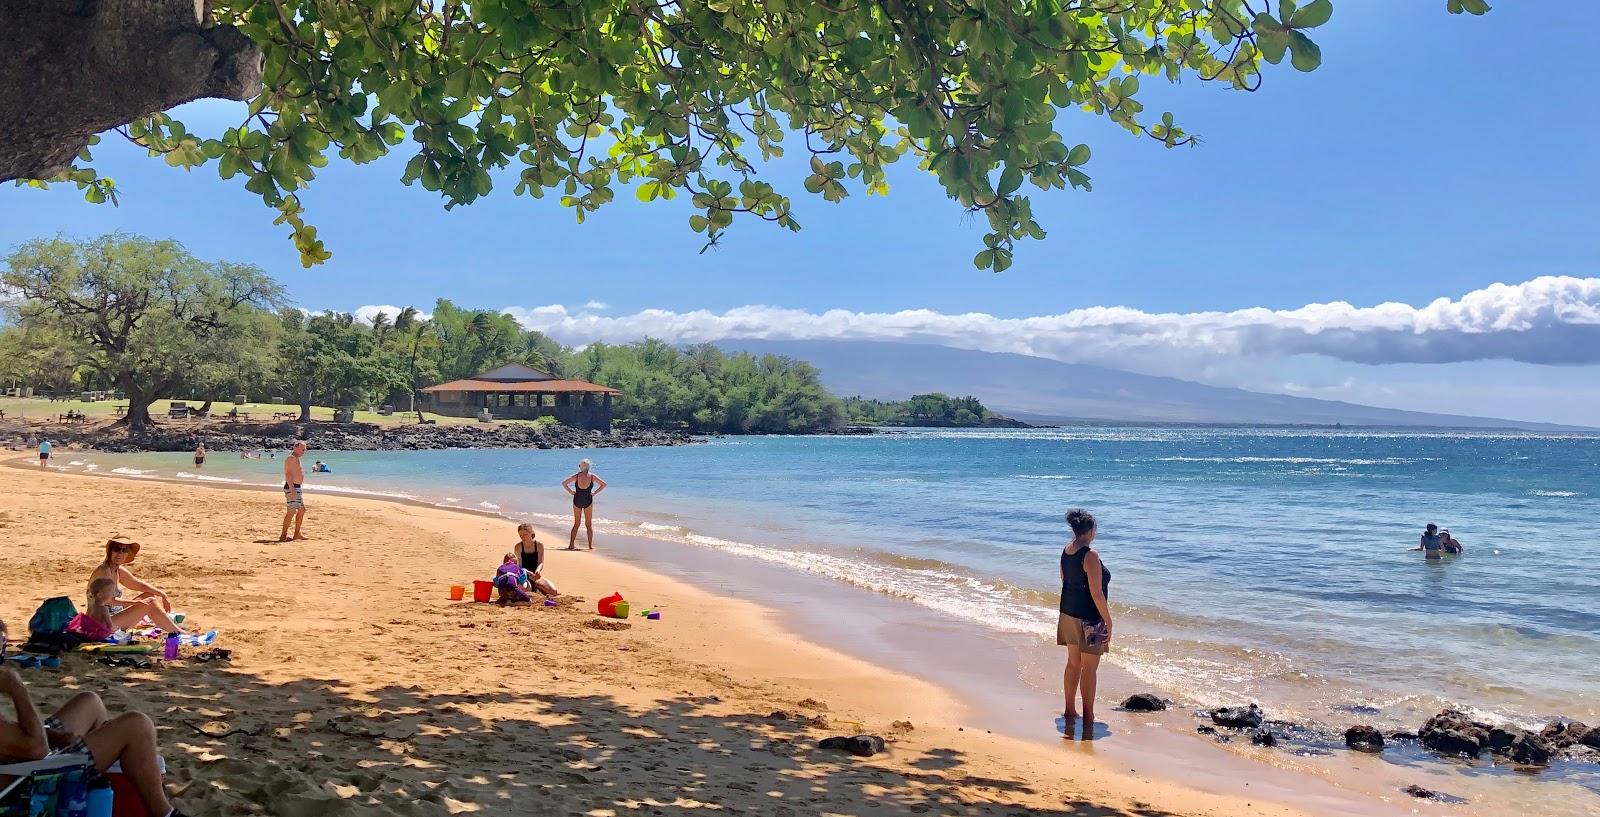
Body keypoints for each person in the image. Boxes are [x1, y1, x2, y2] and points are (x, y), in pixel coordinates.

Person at [0, 620, 190, 817]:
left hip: (20, 764)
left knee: (90, 703)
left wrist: (51, 734)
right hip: (26, 789)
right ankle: (164, 813)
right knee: (136, 726)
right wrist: (17, 689)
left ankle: (100, 787)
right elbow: (37, 749)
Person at [1058, 508, 1112, 739]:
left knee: (1073, 664)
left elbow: (1064, 580)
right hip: (1090, 617)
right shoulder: (1090, 555)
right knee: (1089, 668)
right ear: (1091, 531)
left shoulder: (1067, 551)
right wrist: (1108, 620)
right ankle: (1088, 716)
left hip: (1068, 614)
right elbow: (1096, 593)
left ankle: (1070, 710)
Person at [89, 539, 184, 634]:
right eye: (117, 549)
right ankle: (178, 632)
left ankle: (173, 628)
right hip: (100, 625)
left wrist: (162, 594)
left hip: (112, 618)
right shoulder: (104, 571)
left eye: (124, 550)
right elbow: (109, 601)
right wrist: (137, 603)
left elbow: (139, 585)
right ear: (110, 551)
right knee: (150, 602)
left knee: (148, 595)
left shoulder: (117, 570)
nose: (120, 553)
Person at [562, 459, 606, 550]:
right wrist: (594, 492)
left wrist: (571, 492)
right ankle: (590, 546)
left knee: (576, 524)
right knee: (588, 524)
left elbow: (564, 483)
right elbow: (603, 484)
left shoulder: (577, 476)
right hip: (588, 500)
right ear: (588, 467)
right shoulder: (592, 476)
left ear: (582, 466)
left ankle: (571, 545)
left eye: (579, 465)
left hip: (577, 499)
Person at [513, 523, 559, 597]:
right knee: (524, 592)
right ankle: (534, 589)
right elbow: (519, 567)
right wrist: (528, 573)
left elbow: (540, 562)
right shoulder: (518, 547)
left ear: (531, 533)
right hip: (523, 576)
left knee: (554, 591)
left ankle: (537, 588)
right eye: (520, 535)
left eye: (525, 534)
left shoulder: (539, 545)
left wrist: (537, 571)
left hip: (536, 576)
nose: (522, 537)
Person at [66, 578, 118, 642]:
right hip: (97, 635)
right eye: (111, 592)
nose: (113, 595)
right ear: (100, 595)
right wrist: (116, 629)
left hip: (89, 634)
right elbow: (110, 625)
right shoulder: (104, 609)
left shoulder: (91, 606)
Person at [280, 441, 308, 542]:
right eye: (303, 449)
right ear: (296, 448)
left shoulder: (296, 459)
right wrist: (292, 490)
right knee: (291, 512)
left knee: (301, 510)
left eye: (305, 449)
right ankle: (283, 536)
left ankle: (297, 533)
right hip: (292, 488)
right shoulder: (291, 458)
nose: (304, 451)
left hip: (296, 487)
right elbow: (288, 474)